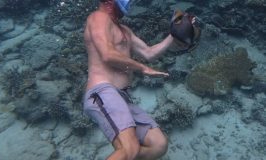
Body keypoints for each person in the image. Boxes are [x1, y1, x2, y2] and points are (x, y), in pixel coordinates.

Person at [83, 0, 198, 159]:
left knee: (158, 145)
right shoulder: (98, 18)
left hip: (121, 97)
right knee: (129, 148)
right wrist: (143, 68)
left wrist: (175, 34)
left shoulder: (125, 31)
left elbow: (149, 53)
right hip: (103, 92)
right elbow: (107, 54)